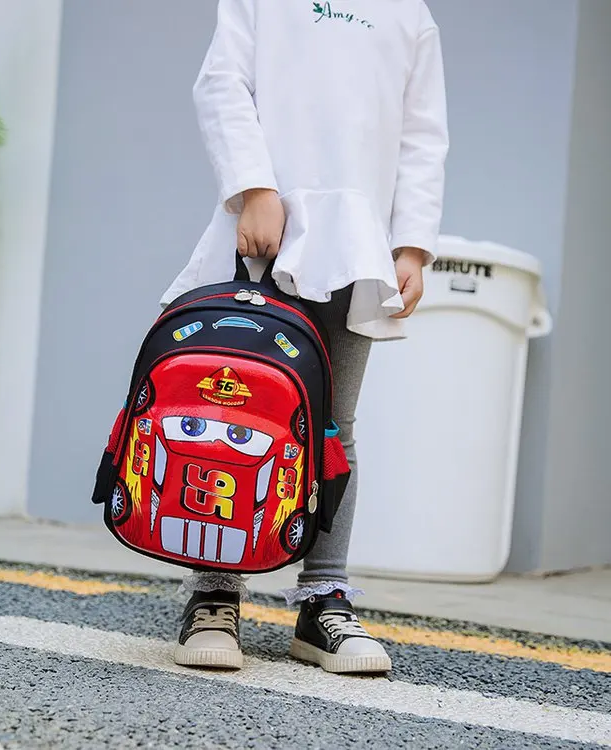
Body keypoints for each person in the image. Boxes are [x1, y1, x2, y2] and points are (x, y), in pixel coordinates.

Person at [160, 0, 449, 674]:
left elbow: (422, 134)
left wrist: (412, 244)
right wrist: (253, 186)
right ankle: (214, 593)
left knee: (332, 427)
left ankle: (323, 601)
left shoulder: (410, 15)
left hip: (358, 241)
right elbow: (222, 82)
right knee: (231, 409)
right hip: (270, 228)